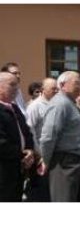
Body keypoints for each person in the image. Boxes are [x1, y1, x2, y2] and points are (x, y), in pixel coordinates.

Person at [39, 71, 80, 202]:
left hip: (70, 161)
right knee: (63, 199)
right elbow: (48, 136)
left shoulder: (68, 102)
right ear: (62, 84)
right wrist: (46, 159)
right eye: (77, 83)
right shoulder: (60, 103)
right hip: (64, 163)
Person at [0, 72, 35, 202]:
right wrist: (23, 155)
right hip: (4, 170)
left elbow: (26, 132)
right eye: (12, 84)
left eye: (17, 85)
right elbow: (2, 143)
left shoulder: (14, 107)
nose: (16, 88)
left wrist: (30, 150)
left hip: (18, 168)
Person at [25, 78, 58, 202]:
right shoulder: (35, 106)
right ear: (43, 90)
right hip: (40, 154)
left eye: (57, 89)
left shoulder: (55, 104)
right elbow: (30, 130)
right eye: (52, 89)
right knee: (40, 187)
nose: (56, 91)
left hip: (53, 152)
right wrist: (38, 153)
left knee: (50, 187)